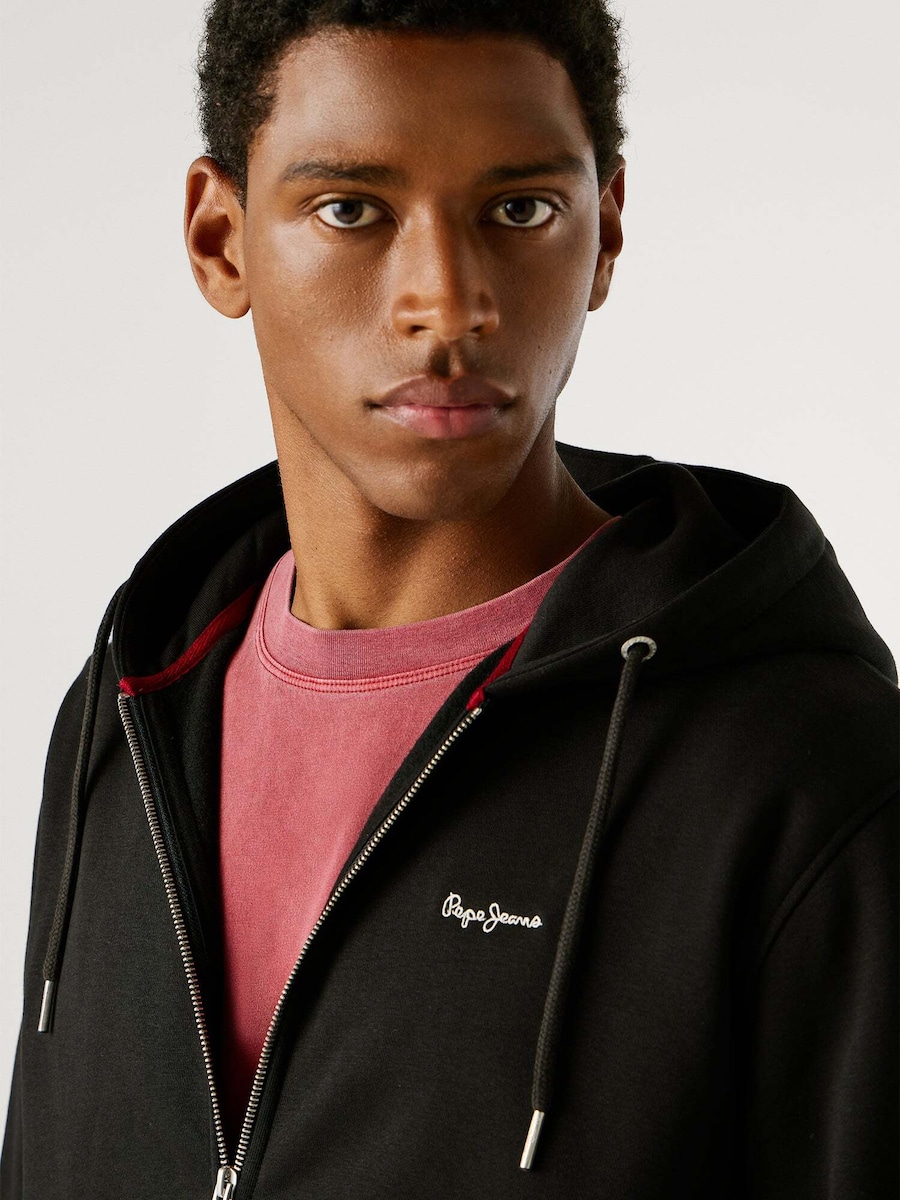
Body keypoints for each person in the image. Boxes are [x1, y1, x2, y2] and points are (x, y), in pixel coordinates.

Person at [3, 2, 897, 1197]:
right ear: (221, 241)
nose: (449, 301)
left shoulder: (809, 775)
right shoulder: (129, 711)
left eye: (519, 210)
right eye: (351, 209)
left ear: (606, 232)